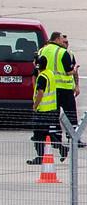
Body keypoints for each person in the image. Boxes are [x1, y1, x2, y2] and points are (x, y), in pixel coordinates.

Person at [30, 33, 69, 164]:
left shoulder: (41, 77)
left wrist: (35, 106)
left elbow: (40, 93)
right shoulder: (50, 74)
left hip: (43, 110)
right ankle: (62, 148)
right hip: (51, 109)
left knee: (38, 135)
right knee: (47, 133)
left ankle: (40, 157)